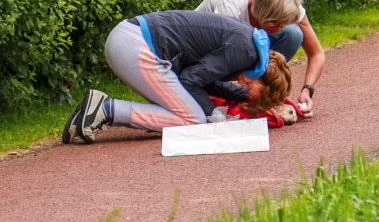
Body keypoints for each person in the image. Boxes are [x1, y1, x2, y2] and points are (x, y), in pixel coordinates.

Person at [62, 10, 292, 144]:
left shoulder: (249, 46)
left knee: (193, 111)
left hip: (129, 38)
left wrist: (241, 97)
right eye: (252, 89)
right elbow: (191, 79)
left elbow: (205, 80)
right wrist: (214, 115)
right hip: (136, 47)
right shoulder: (244, 51)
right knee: (193, 119)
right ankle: (106, 109)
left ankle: (89, 115)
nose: (245, 87)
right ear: (261, 75)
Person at [195, 0, 323, 113]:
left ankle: (259, 87)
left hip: (240, 46)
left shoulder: (286, 3)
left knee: (293, 33)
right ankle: (236, 89)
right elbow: (218, 58)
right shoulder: (230, 7)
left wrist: (307, 90)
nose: (278, 29)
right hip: (205, 54)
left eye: (282, 24)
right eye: (274, 23)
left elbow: (316, 53)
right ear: (260, 12)